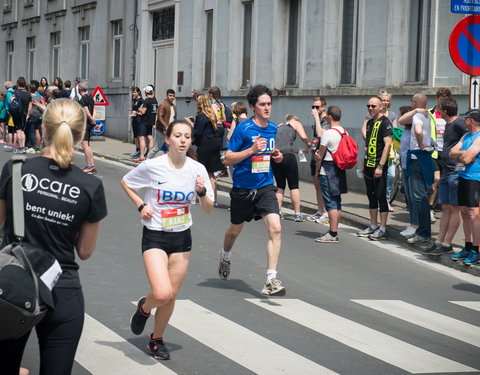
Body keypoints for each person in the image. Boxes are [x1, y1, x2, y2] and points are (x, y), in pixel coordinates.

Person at [0, 98, 107, 375]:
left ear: (43, 130)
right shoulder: (90, 185)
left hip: (11, 287)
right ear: (81, 135)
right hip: (62, 290)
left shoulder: (15, 168)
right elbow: (85, 251)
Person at [121, 120, 213, 361]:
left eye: (187, 136)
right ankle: (144, 308)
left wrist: (202, 192)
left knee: (171, 295)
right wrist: (141, 205)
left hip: (182, 237)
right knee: (161, 293)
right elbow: (126, 183)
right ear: (168, 139)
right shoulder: (153, 166)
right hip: (155, 235)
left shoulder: (197, 169)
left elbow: (208, 208)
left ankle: (156, 339)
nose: (183, 140)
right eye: (178, 136)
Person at [218, 84, 285, 296]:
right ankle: (225, 254)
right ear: (253, 107)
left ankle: (270, 279)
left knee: (275, 228)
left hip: (265, 186)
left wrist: (277, 155)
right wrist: (251, 150)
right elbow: (227, 159)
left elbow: (269, 151)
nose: (267, 108)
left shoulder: (273, 128)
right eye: (262, 104)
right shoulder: (243, 129)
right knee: (235, 230)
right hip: (243, 189)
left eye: (269, 104)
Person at [422, 96, 466, 256]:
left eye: (440, 109)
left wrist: (462, 156)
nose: (438, 111)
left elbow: (473, 137)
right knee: (446, 208)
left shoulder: (459, 123)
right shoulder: (449, 125)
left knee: (454, 209)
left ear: (445, 111)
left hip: (456, 171)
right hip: (447, 170)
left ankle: (447, 243)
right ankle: (440, 241)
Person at [398, 93, 434, 244]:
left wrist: (419, 144)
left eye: (412, 102)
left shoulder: (418, 117)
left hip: (416, 158)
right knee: (417, 196)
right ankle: (419, 229)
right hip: (419, 158)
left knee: (418, 196)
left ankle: (423, 232)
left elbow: (411, 127)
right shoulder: (426, 115)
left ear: (415, 103)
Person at [357, 96, 392, 240]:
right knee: (371, 196)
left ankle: (382, 228)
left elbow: (388, 145)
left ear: (381, 107)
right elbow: (367, 145)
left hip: (379, 166)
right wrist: (363, 163)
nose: (370, 108)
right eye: (368, 106)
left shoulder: (385, 123)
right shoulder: (370, 122)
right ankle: (373, 225)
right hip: (369, 165)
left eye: (373, 106)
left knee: (381, 196)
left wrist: (381, 166)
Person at [449, 109, 480, 265]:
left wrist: (463, 155)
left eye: (466, 119)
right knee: (464, 212)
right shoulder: (466, 135)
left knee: (473, 213)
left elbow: (466, 159)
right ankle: (467, 247)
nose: (463, 121)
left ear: (472, 121)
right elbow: (451, 153)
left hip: (475, 179)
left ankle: (476, 249)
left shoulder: (479, 137)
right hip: (462, 177)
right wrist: (463, 153)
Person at [314, 106, 349, 243]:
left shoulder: (328, 133)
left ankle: (333, 234)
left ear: (329, 116)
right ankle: (334, 230)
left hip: (328, 170)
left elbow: (320, 155)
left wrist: (317, 170)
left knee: (330, 202)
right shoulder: (344, 132)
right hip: (340, 169)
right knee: (337, 201)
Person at [271, 114, 310, 221]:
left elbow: (282, 145)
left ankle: (277, 212)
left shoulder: (279, 126)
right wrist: (309, 145)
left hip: (275, 156)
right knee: (294, 186)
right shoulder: (295, 123)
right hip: (288, 158)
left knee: (280, 186)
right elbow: (303, 137)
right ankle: (297, 214)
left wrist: (298, 151)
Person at [193, 94, 224, 206]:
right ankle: (214, 199)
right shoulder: (212, 115)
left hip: (205, 144)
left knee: (199, 170)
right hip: (215, 143)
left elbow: (198, 132)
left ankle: (194, 197)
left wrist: (192, 127)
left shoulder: (201, 116)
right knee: (211, 173)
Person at [428, 88, 452, 224]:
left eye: (445, 99)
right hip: (434, 152)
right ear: (437, 99)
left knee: (444, 182)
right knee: (435, 180)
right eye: (441, 98)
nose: (443, 101)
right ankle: (430, 209)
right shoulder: (430, 112)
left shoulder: (449, 113)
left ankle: (443, 210)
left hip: (447, 152)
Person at [307, 97, 329, 224]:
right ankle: (320, 210)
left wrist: (316, 117)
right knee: (316, 184)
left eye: (317, 107)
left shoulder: (326, 120)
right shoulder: (317, 120)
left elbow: (321, 134)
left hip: (323, 156)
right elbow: (316, 137)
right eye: (313, 107)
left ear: (323, 107)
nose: (314, 110)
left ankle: (326, 212)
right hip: (314, 155)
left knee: (324, 185)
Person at [397, 105, 419, 239]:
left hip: (412, 166)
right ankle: (412, 223)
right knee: (409, 198)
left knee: (414, 197)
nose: (400, 118)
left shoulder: (414, 132)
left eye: (402, 115)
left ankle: (416, 225)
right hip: (405, 165)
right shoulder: (405, 131)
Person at [379, 91, 398, 211]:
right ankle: (379, 200)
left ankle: (386, 199)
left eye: (387, 100)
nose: (385, 102)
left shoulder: (392, 115)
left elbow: (395, 130)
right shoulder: (374, 114)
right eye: (383, 100)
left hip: (390, 149)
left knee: (391, 175)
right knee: (379, 176)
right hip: (378, 149)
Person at [149, 89, 176, 159]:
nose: (172, 97)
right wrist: (165, 126)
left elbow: (174, 118)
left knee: (171, 148)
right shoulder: (163, 105)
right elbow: (159, 117)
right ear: (167, 96)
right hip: (161, 130)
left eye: (173, 96)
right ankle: (147, 160)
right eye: (170, 95)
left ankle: (169, 163)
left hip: (170, 131)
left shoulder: (174, 106)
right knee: (157, 148)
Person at [134, 86, 157, 163]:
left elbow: (143, 111)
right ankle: (149, 156)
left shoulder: (147, 101)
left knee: (141, 138)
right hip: (151, 121)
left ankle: (142, 156)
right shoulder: (155, 100)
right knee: (150, 137)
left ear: (146, 93)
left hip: (144, 121)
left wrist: (137, 108)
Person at [78, 82, 97, 174]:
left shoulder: (82, 99)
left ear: (79, 89)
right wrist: (93, 120)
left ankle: (89, 166)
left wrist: (91, 119)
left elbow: (86, 111)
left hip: (85, 123)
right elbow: (94, 110)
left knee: (84, 145)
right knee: (88, 145)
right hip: (89, 123)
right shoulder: (90, 98)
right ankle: (92, 165)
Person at [10, 77, 32, 153]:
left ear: (18, 84)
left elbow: (11, 100)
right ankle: (23, 146)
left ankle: (20, 147)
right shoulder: (28, 94)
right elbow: (30, 106)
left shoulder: (16, 92)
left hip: (17, 113)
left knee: (18, 130)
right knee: (22, 130)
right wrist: (28, 115)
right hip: (25, 113)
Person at [130, 87, 144, 160]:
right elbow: (133, 109)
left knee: (139, 136)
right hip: (134, 119)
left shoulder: (141, 101)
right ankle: (137, 150)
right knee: (135, 135)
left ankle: (141, 152)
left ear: (138, 92)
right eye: (133, 92)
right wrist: (132, 114)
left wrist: (137, 112)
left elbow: (142, 111)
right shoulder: (134, 100)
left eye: (135, 92)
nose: (133, 93)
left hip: (139, 119)